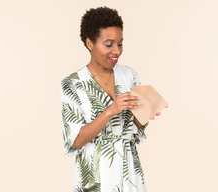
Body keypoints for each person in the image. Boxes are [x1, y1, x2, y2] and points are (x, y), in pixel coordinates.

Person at [60, 6, 162, 192]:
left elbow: (132, 128)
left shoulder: (129, 75)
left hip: (129, 172)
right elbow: (76, 140)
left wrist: (146, 114)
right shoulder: (72, 84)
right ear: (90, 43)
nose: (116, 51)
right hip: (95, 175)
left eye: (120, 43)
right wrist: (110, 111)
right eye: (109, 44)